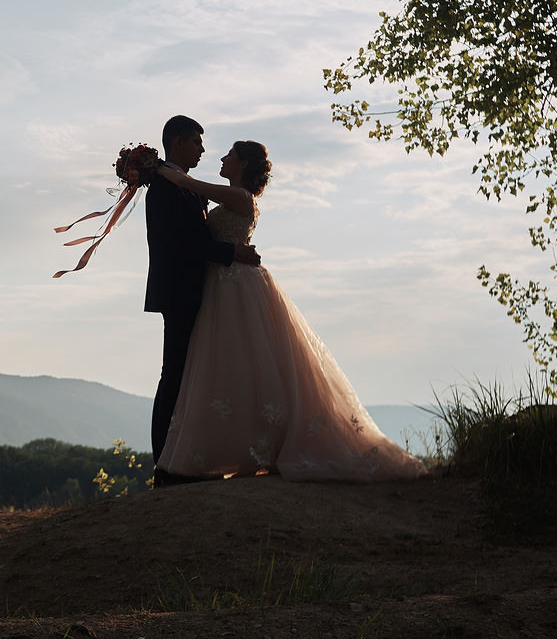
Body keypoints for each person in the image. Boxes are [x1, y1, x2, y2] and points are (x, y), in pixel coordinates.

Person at [152, 141, 425, 482]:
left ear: (243, 164)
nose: (221, 158)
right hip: (222, 284)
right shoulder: (231, 197)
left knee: (244, 362)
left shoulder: (239, 197)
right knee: (230, 365)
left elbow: (190, 186)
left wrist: (159, 169)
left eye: (229, 156)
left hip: (235, 286)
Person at [144, 115, 260, 483]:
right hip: (180, 291)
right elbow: (182, 243)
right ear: (177, 142)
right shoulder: (163, 188)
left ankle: (187, 459)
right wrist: (232, 253)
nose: (203, 149)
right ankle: (165, 465)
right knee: (174, 376)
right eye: (196, 141)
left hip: (207, 291)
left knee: (195, 375)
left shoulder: (188, 186)